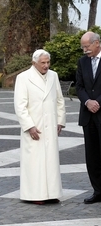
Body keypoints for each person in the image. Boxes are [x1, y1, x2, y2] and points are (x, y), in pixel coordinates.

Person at [14, 49, 66, 205]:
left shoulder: (53, 76)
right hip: (34, 126)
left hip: (50, 125)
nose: (46, 66)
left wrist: (60, 121)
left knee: (51, 161)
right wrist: (29, 126)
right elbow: (20, 106)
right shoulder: (23, 78)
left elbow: (60, 100)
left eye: (48, 62)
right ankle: (35, 195)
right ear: (34, 63)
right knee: (34, 162)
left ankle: (52, 193)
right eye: (43, 63)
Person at [76, 31, 101, 204]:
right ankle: (98, 191)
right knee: (92, 156)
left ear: (97, 43)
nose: (85, 50)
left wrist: (97, 102)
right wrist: (87, 102)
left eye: (87, 46)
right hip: (88, 116)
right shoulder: (82, 62)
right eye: (83, 47)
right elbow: (79, 86)